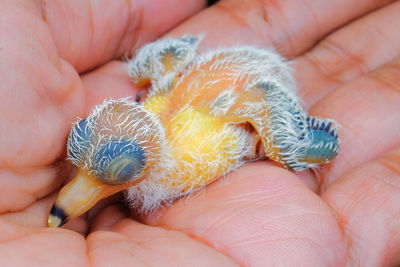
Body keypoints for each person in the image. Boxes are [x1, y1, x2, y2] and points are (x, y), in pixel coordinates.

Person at [1, 0, 399, 265]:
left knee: (280, 140)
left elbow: (261, 96)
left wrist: (286, 142)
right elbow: (161, 86)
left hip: (250, 79)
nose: (77, 195)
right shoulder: (155, 107)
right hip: (190, 88)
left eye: (114, 173)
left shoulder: (198, 141)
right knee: (149, 72)